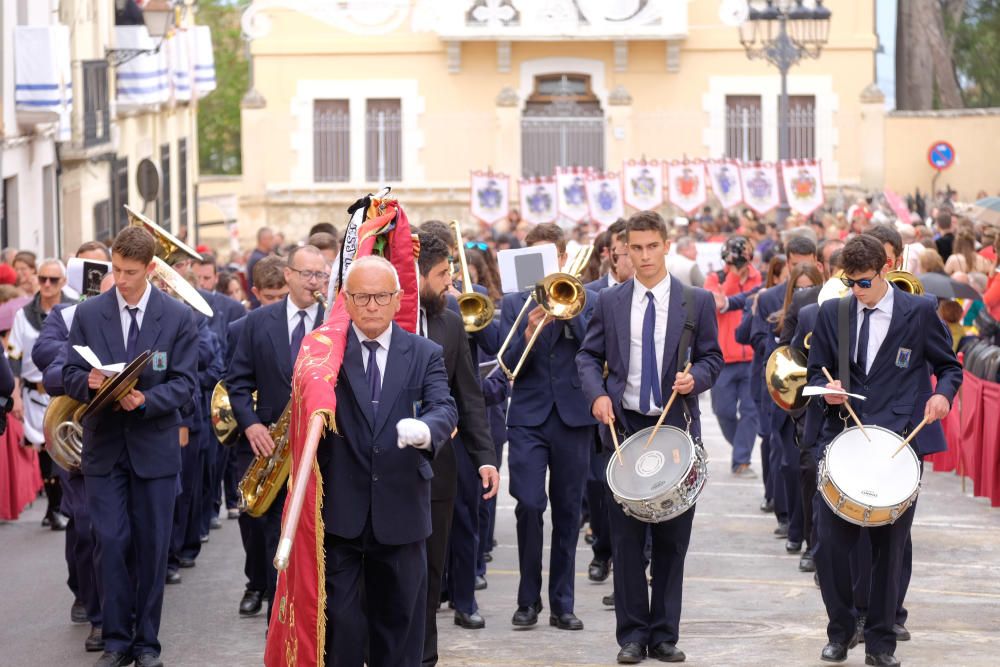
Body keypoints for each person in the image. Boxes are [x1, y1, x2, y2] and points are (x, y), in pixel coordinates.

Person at [807, 235, 961, 667]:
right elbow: (813, 375)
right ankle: (840, 632)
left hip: (898, 447)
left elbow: (949, 366)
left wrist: (942, 396)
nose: (856, 291)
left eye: (864, 283)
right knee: (829, 548)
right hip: (844, 443)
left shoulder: (920, 310)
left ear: (885, 268)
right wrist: (828, 393)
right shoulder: (832, 312)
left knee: (889, 551)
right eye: (849, 282)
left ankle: (880, 643)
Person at [577, 210, 722, 664]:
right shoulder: (609, 302)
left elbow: (713, 358)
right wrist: (597, 396)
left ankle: (664, 634)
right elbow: (587, 356)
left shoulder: (696, 301)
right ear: (624, 250)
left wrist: (695, 378)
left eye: (651, 247)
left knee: (672, 540)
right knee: (625, 538)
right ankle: (632, 636)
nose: (643, 257)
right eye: (634, 249)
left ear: (666, 245)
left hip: (676, 429)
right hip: (627, 430)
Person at [63, 226, 198, 667]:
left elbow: (186, 384)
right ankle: (116, 640)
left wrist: (146, 400)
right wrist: (88, 380)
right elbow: (67, 372)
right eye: (116, 269)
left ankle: (147, 643)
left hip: (153, 449)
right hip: (104, 450)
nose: (119, 280)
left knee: (152, 546)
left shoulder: (178, 318)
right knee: (110, 541)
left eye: (129, 272)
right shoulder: (88, 313)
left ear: (150, 269)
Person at [318, 255, 458, 667]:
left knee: (398, 632)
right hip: (342, 512)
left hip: (401, 510)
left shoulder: (424, 352)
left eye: (381, 296)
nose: (372, 306)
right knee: (340, 631)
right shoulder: (328, 354)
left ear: (398, 300)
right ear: (347, 299)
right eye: (362, 297)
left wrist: (427, 430)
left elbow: (444, 406)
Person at [498, 223, 596, 631]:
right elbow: (507, 365)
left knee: (569, 512)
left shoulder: (584, 298)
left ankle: (562, 603)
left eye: (549, 257)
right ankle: (527, 600)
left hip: (573, 416)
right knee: (530, 505)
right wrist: (527, 329)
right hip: (529, 418)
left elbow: (593, 346)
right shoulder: (514, 303)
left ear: (560, 259)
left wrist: (565, 313)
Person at [227, 245, 328, 622]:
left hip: (323, 448)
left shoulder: (336, 321)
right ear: (288, 274)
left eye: (320, 275)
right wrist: (251, 423)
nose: (314, 283)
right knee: (272, 538)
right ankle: (278, 621)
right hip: (273, 448)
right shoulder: (257, 322)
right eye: (307, 274)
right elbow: (236, 383)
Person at [415, 233, 499, 664]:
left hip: (441, 468)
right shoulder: (383, 317)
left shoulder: (449, 321)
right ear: (417, 276)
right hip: (387, 468)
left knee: (431, 567)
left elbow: (468, 393)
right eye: (443, 275)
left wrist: (484, 458)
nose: (452, 284)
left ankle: (425, 656)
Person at [31, 243, 114, 654]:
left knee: (117, 531)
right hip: (75, 436)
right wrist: (85, 360)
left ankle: (117, 612)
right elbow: (44, 357)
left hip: (123, 433)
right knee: (86, 525)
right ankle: (95, 610)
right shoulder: (66, 315)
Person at [7, 258, 75, 529]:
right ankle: (52, 505)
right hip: (35, 393)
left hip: (66, 392)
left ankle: (61, 505)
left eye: (53, 280)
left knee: (65, 447)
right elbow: (13, 355)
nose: (47, 285)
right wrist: (14, 394)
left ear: (64, 282)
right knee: (45, 451)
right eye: (43, 279)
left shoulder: (73, 309)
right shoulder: (24, 314)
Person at [705, 236, 762, 477]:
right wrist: (730, 278)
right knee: (723, 411)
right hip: (723, 359)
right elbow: (716, 304)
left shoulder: (759, 279)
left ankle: (741, 461)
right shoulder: (715, 278)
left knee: (750, 411)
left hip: (751, 357)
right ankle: (741, 444)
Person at [245, 227, 276, 308]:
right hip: (260, 304)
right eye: (271, 238)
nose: (274, 241)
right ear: (263, 239)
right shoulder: (259, 259)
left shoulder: (260, 256)